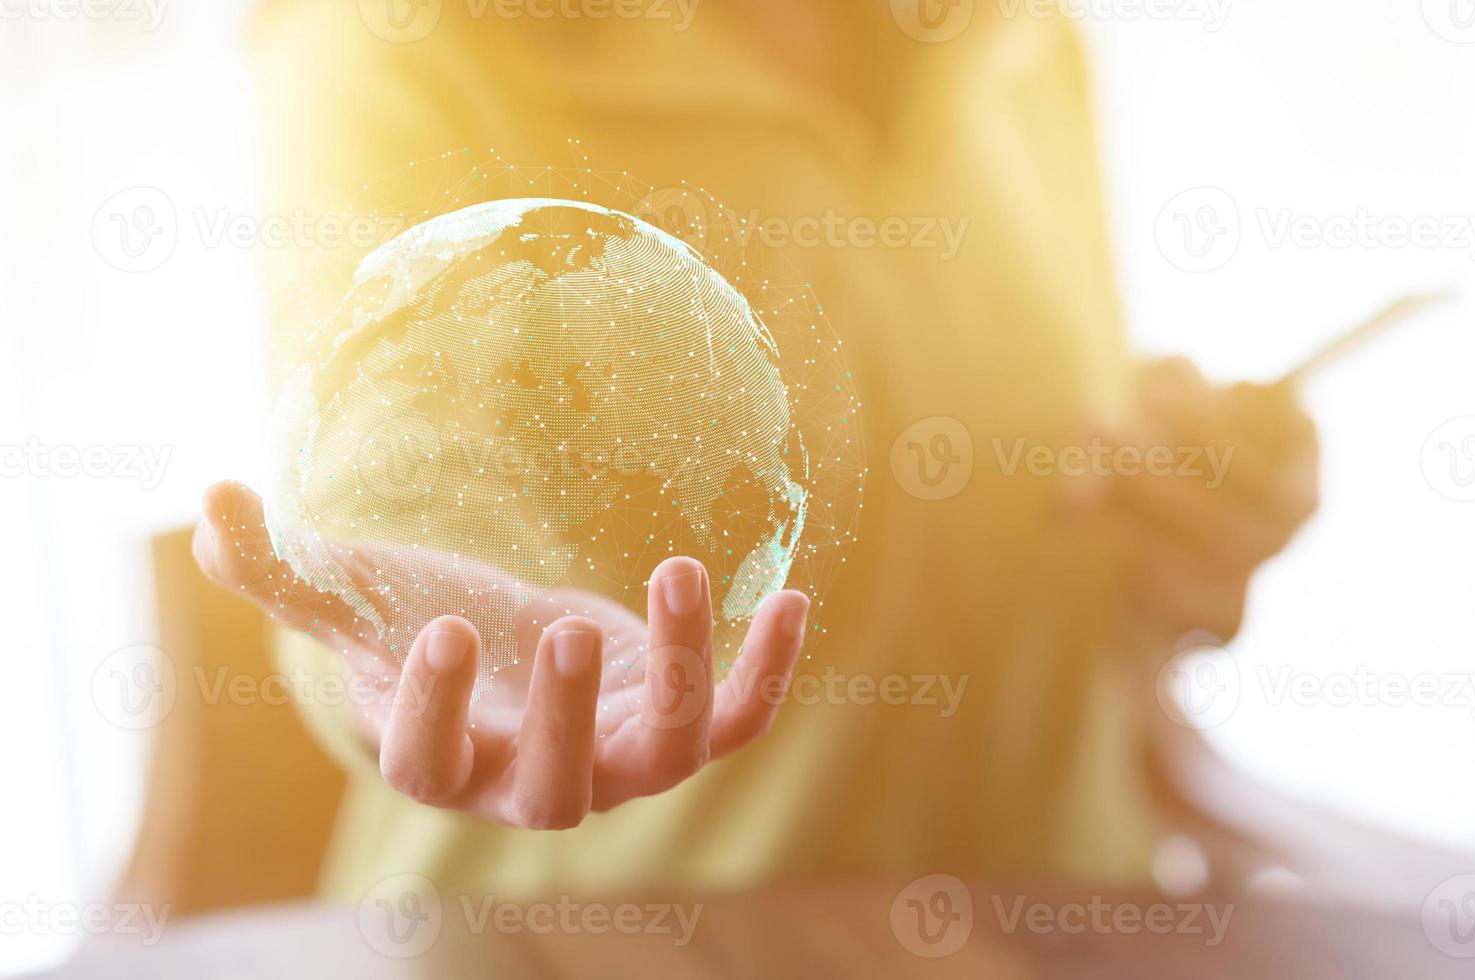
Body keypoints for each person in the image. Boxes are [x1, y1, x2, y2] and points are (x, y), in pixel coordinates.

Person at [193, 1, 1319, 900]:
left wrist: (1191, 544)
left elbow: (1039, 537)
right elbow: (372, 506)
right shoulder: (388, 39)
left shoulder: (1026, 40)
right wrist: (398, 659)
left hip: (1057, 920)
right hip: (614, 940)